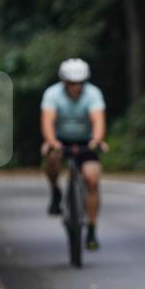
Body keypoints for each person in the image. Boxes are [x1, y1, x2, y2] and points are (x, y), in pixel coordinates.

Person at [40, 58, 107, 250]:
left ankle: (92, 229)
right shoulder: (52, 94)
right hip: (60, 139)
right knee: (51, 158)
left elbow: (98, 120)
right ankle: (55, 191)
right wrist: (52, 142)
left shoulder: (93, 94)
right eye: (71, 83)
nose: (75, 87)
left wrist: (96, 140)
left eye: (79, 83)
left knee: (92, 178)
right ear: (64, 82)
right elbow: (48, 121)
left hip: (86, 141)